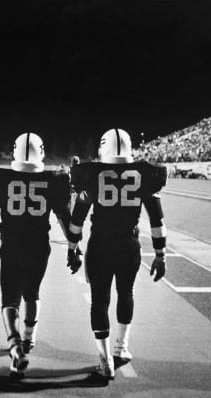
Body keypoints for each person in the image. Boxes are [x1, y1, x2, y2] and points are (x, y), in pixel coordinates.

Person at [67, 128, 167, 379]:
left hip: (100, 243)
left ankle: (105, 360)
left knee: (99, 300)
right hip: (128, 245)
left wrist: (72, 247)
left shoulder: (92, 175)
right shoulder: (145, 175)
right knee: (126, 293)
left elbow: (78, 217)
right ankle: (121, 348)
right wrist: (160, 254)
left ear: (104, 148)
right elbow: (157, 219)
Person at [0, 132, 73, 379]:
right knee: (32, 293)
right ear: (42, 153)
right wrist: (74, 246)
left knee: (10, 299)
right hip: (39, 245)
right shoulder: (55, 180)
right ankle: (28, 339)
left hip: (12, 244)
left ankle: (14, 344)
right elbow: (64, 218)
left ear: (14, 152)